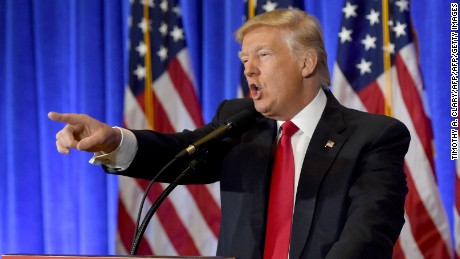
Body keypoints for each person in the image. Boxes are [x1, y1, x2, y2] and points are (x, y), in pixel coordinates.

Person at [49, 9, 410, 259]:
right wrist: (114, 139)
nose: (249, 69)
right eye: (243, 60)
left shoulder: (373, 136)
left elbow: (369, 233)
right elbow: (177, 154)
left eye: (263, 55)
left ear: (306, 62)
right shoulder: (239, 123)